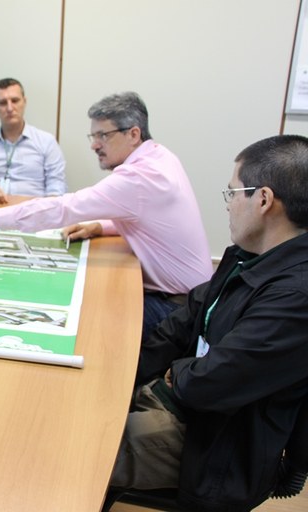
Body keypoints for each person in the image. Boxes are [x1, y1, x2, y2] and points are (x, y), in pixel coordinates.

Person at [107, 135, 308, 511]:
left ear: (263, 200)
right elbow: (185, 320)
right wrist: (122, 375)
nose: (229, 205)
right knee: (86, 408)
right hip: (182, 401)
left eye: (233, 193)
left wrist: (176, 372)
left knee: (75, 448)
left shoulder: (296, 296)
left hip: (213, 443)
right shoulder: (248, 256)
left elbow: (212, 381)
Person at [0, 92, 212, 342]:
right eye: (93, 136)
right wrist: (99, 226)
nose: (95, 145)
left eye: (103, 135)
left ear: (134, 134)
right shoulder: (159, 156)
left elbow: (62, 208)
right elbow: (145, 215)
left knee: (80, 323)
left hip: (176, 309)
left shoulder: (137, 177)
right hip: (192, 296)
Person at [0, 78, 67, 204]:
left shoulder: (46, 141)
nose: (10, 108)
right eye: (3, 103)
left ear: (24, 102)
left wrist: (46, 213)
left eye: (15, 101)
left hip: (33, 211)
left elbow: (57, 188)